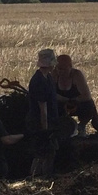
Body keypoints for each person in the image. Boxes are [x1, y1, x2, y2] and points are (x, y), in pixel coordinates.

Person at [26, 48, 60, 176]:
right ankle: (37, 176)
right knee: (42, 151)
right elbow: (43, 109)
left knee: (49, 152)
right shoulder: (39, 81)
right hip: (40, 123)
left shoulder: (48, 78)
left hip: (50, 121)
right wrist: (45, 130)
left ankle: (44, 176)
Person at [54, 53, 98, 136]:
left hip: (76, 103)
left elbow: (86, 96)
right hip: (60, 103)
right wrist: (64, 100)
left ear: (70, 66)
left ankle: (82, 126)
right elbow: (50, 93)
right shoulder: (54, 74)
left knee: (89, 105)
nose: (60, 71)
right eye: (58, 69)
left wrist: (72, 101)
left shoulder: (77, 75)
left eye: (63, 69)